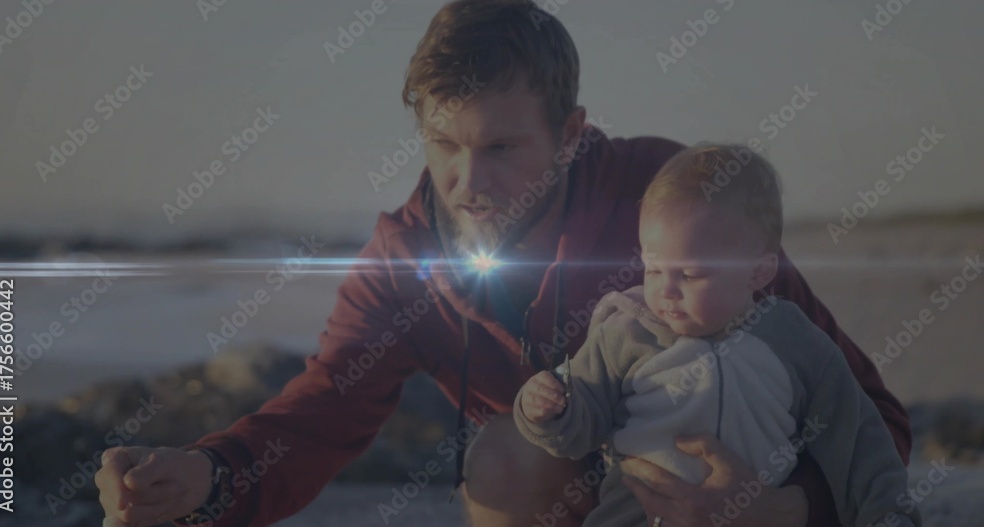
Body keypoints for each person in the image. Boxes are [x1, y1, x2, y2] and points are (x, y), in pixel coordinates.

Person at [95, 1, 912, 526]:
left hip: (746, 496)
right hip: (574, 497)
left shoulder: (669, 198)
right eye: (444, 146)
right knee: (505, 457)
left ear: (571, 133)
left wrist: (778, 507)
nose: (468, 182)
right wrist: (203, 476)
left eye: (501, 147)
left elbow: (874, 414)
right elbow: (323, 412)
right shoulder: (407, 254)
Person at [514, 144, 921, 527]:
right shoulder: (627, 331)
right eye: (653, 269)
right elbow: (579, 427)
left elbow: (856, 439)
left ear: (759, 272)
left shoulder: (793, 340)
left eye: (691, 275)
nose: (666, 290)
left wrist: (887, 515)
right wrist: (550, 408)